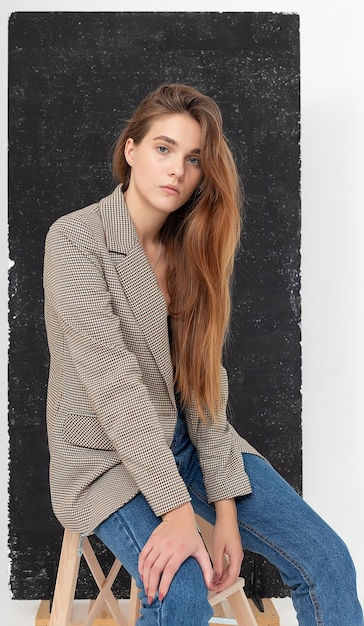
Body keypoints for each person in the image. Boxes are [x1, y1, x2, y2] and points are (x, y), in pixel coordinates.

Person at [43, 83, 363, 625]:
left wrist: (224, 511)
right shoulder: (75, 240)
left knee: (327, 560)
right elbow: (114, 387)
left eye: (193, 159)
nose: (177, 170)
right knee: (181, 590)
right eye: (163, 148)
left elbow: (204, 387)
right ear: (130, 149)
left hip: (189, 445)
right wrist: (174, 512)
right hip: (104, 457)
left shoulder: (192, 251)